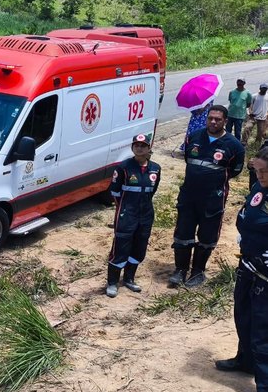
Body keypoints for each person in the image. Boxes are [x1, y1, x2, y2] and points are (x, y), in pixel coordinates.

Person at [214, 147, 268, 392]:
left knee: (262, 331)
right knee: (242, 315)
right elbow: (247, 214)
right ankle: (244, 360)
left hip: (266, 274)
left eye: (264, 170)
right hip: (248, 264)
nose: (260, 175)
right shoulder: (259, 188)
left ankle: (265, 391)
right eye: (257, 169)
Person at [169, 104, 245, 288]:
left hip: (213, 199)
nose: (213, 122)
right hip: (189, 195)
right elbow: (189, 159)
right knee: (183, 233)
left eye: (218, 119)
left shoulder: (234, 146)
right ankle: (180, 270)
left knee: (207, 235)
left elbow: (234, 170)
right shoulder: (194, 137)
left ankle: (198, 272)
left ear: (225, 121)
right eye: (210, 118)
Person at [105, 133, 162, 297]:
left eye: (143, 145)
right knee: (120, 247)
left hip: (146, 214)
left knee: (139, 247)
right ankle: (112, 282)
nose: (139, 148)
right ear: (132, 147)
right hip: (127, 214)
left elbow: (152, 190)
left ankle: (129, 279)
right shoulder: (123, 168)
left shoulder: (155, 168)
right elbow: (115, 192)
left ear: (149, 148)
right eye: (136, 145)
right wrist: (124, 210)